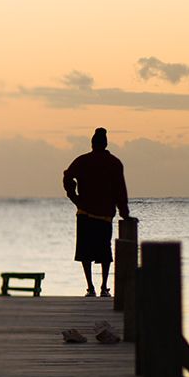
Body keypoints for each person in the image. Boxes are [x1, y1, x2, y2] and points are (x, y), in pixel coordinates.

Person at [62, 127, 130, 297]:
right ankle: (104, 287)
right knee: (104, 251)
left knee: (85, 252)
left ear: (92, 144)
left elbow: (67, 176)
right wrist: (124, 212)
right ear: (105, 144)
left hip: (85, 212)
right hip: (104, 214)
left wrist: (74, 197)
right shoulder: (114, 163)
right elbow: (120, 191)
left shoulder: (82, 161)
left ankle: (90, 287)